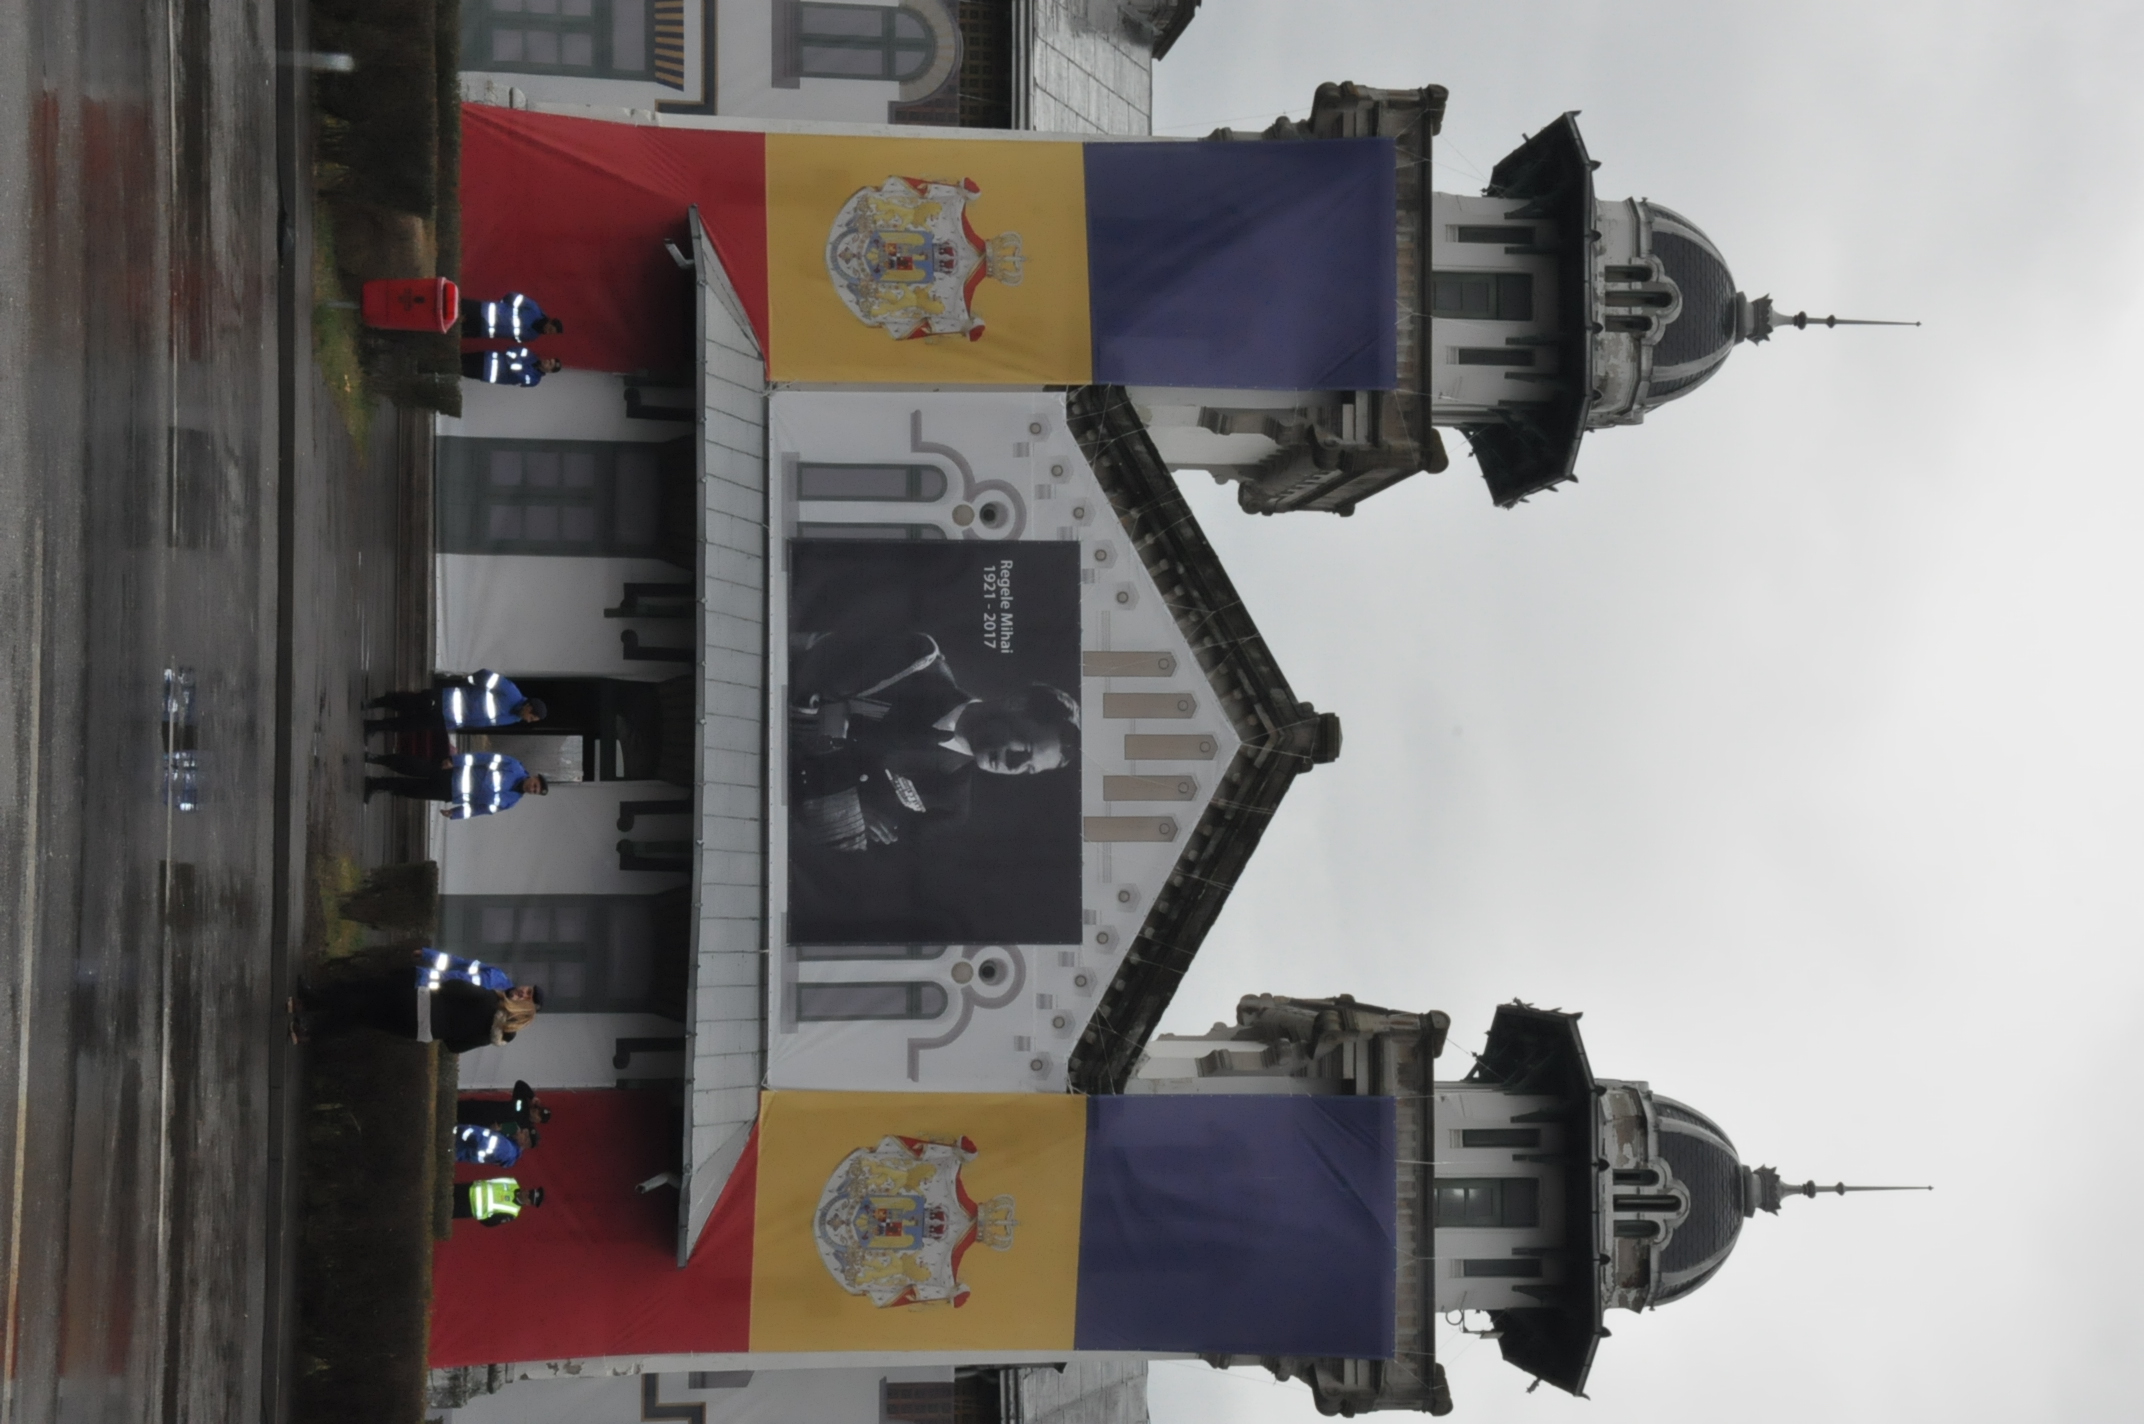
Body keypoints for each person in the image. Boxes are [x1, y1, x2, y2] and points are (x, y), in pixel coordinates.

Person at [788, 630, 1079, 851]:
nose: (1015, 766)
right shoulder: (916, 662)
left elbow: (846, 858)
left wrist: (832, 723)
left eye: (1029, 769)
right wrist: (841, 803)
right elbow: (810, 679)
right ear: (1017, 704)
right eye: (1025, 749)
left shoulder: (948, 806)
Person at [289, 949, 544, 1052]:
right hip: (421, 1023)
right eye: (528, 990)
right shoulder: (497, 982)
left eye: (527, 998)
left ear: (523, 1007)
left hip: (420, 996)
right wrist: (430, 955)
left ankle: (310, 1005)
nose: (523, 993)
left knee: (363, 999)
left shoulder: (490, 998)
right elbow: (454, 1046)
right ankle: (311, 1022)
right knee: (363, 1009)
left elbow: (455, 985)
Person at [363, 751, 548, 819]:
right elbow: (482, 758)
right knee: (414, 766)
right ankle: (377, 759)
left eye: (535, 791)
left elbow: (480, 809)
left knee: (411, 790)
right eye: (535, 785)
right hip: (450, 772)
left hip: (450, 794)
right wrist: (455, 761)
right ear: (533, 777)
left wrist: (456, 813)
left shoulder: (511, 802)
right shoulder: (513, 766)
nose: (532, 789)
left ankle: (376, 784)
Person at [364, 671, 546, 736]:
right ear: (529, 707)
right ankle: (375, 702)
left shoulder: (513, 719)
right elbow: (484, 675)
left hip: (449, 720)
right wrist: (466, 683)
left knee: (411, 725)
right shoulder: (510, 691)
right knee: (409, 703)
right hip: (446, 700)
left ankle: (375, 726)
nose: (528, 721)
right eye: (531, 717)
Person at [462, 292, 563, 344]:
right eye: (550, 329)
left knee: (458, 331)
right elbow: (512, 296)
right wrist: (501, 308)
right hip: (483, 311)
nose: (547, 331)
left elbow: (515, 338)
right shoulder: (533, 309)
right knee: (459, 306)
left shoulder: (532, 336)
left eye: (550, 333)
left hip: (483, 330)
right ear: (550, 322)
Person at [458, 1078, 551, 1132]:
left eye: (539, 1114)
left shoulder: (524, 1126)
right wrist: (532, 1096)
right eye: (539, 1109)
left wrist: (498, 1129)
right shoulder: (525, 1103)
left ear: (538, 1120)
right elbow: (519, 1084)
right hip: (483, 1107)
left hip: (484, 1122)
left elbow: (506, 1131)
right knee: (459, 1107)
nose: (536, 1111)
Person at [453, 1177, 544, 1226]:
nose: (527, 1194)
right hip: (466, 1189)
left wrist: (480, 1211)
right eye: (529, 1192)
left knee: (444, 1209)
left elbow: (490, 1223)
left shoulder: (512, 1212)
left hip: (467, 1208)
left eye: (529, 1197)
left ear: (528, 1203)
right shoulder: (511, 1182)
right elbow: (490, 1180)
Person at [462, 346, 562, 387]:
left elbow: (517, 374)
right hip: (486, 357)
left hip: (485, 373)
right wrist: (516, 364)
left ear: (549, 371)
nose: (547, 361)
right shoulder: (531, 355)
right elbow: (511, 350)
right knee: (460, 356)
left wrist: (515, 361)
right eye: (549, 360)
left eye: (550, 364)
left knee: (460, 369)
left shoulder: (534, 380)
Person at [453, 1123, 536, 1168]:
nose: (519, 1131)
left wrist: (463, 1130)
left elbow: (483, 1143)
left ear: (526, 1142)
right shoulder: (508, 1145)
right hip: (459, 1147)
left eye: (523, 1133)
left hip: (458, 1144)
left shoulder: (507, 1148)